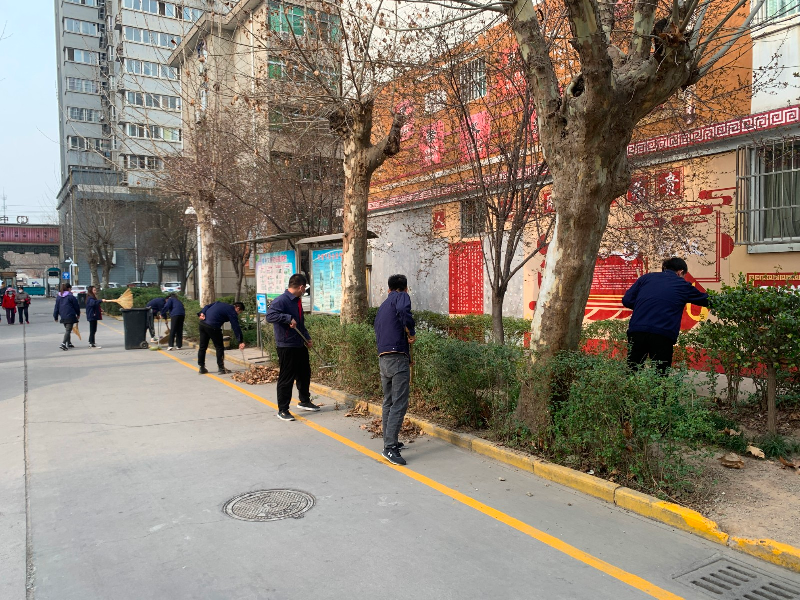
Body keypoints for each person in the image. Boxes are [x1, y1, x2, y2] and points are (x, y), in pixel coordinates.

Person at [622, 257, 709, 374]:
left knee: (632, 370)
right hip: (662, 334)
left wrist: (644, 307)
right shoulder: (683, 285)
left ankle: (630, 385)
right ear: (680, 272)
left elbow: (627, 300)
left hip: (637, 330)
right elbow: (706, 300)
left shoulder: (646, 278)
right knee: (660, 374)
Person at [373, 274, 416, 465]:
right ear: (405, 288)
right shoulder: (402, 296)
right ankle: (389, 448)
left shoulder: (383, 306)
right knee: (399, 403)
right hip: (397, 358)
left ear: (388, 289)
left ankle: (390, 441)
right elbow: (403, 310)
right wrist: (411, 331)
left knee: (389, 401)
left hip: (384, 358)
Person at [266, 273, 320, 421]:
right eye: (304, 288)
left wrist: (307, 338)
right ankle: (283, 409)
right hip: (286, 345)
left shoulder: (297, 301)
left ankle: (304, 400)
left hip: (299, 343)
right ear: (301, 287)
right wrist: (287, 318)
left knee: (304, 373)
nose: (304, 291)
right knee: (287, 377)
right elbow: (270, 316)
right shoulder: (281, 300)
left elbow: (300, 323)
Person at [197, 300, 246, 375]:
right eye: (240, 312)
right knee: (219, 347)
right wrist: (240, 341)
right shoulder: (232, 311)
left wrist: (201, 313)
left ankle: (201, 367)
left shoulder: (219, 303)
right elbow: (236, 327)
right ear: (238, 308)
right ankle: (221, 368)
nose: (238, 314)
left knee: (202, 347)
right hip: (213, 327)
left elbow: (207, 306)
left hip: (202, 325)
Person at [53, 283, 81, 351]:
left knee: (67, 329)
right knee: (68, 330)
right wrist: (78, 314)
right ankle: (63, 343)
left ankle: (69, 343)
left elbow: (56, 307)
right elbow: (76, 306)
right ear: (69, 288)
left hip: (62, 315)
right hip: (70, 315)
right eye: (71, 288)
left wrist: (55, 316)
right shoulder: (71, 297)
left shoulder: (59, 297)